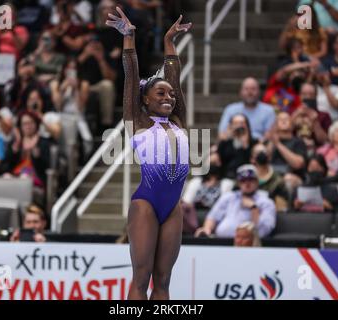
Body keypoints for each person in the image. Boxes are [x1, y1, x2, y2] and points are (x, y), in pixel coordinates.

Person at [106, 7, 192, 300]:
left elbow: (174, 79)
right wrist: (129, 38)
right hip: (146, 203)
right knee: (141, 277)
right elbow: (131, 76)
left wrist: (170, 43)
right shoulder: (137, 121)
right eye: (160, 94)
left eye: (170, 94)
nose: (168, 97)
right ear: (145, 99)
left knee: (164, 280)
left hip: (173, 207)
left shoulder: (178, 120)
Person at [194, 165, 276, 239]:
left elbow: (263, 232)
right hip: (221, 243)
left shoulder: (266, 202)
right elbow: (212, 217)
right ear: (238, 183)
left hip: (251, 246)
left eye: (250, 179)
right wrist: (207, 229)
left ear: (257, 182)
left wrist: (253, 208)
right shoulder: (229, 197)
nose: (247, 183)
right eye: (243, 180)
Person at [214, 113, 258, 180]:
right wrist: (226, 137)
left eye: (242, 123)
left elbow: (254, 161)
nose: (239, 126)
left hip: (248, 178)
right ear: (231, 125)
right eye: (236, 123)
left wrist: (245, 144)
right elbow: (219, 160)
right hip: (227, 177)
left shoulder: (254, 142)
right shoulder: (225, 142)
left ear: (247, 125)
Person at [251, 142, 288, 211]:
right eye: (258, 153)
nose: (261, 154)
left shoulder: (278, 180)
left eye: (264, 152)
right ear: (252, 159)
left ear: (269, 157)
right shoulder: (245, 179)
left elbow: (283, 206)